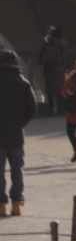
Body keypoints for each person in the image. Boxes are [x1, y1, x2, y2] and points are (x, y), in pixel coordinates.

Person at [0, 48, 34, 217]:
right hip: (15, 134)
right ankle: (16, 204)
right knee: (16, 170)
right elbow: (31, 109)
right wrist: (20, 123)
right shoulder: (23, 82)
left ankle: (0, 204)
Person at [38, 26, 67, 116]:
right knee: (60, 89)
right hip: (60, 70)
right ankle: (61, 109)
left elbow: (41, 56)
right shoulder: (63, 44)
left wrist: (45, 42)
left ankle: (51, 110)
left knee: (50, 91)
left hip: (50, 70)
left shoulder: (48, 44)